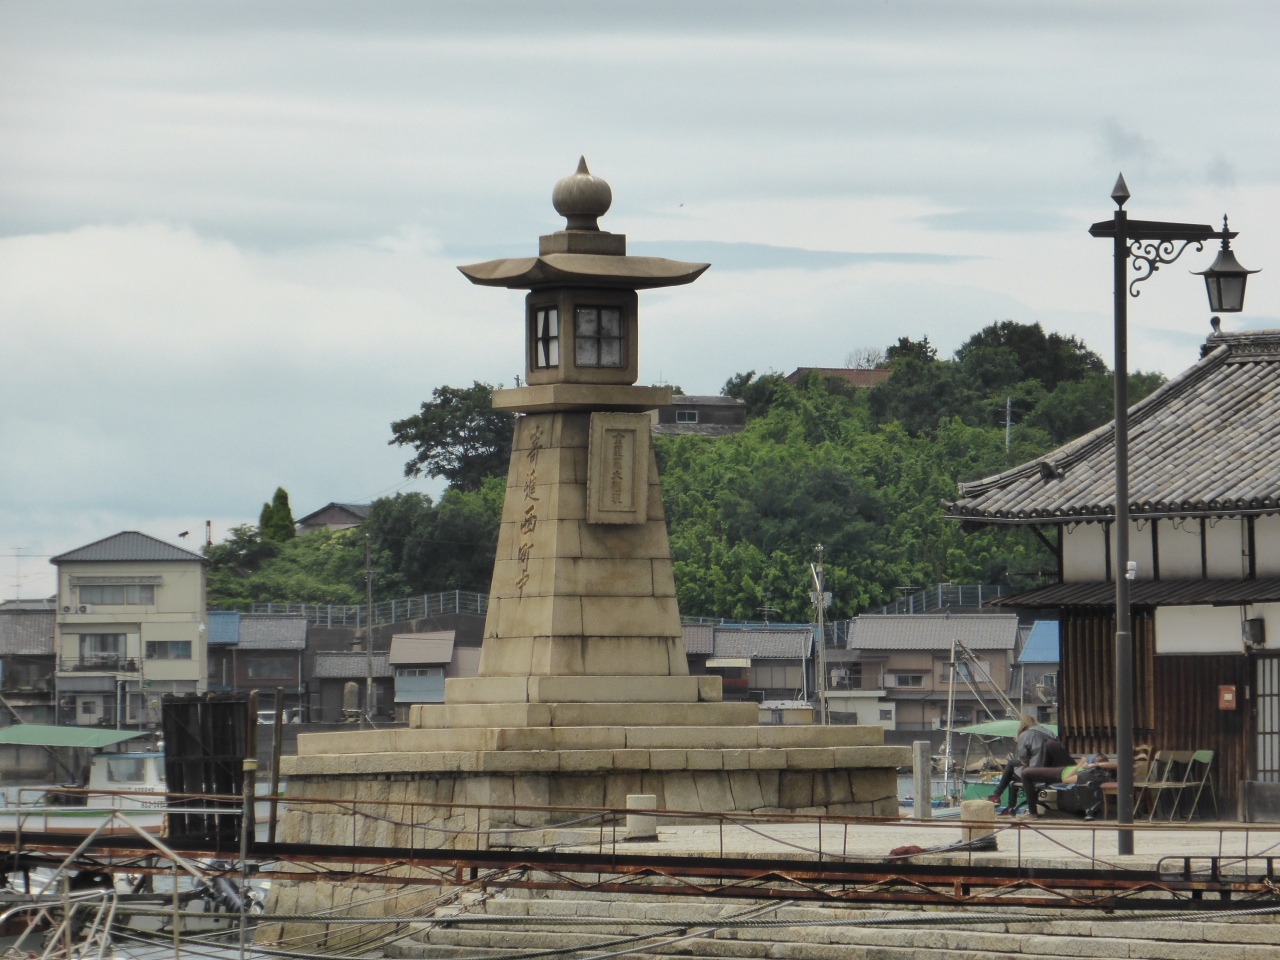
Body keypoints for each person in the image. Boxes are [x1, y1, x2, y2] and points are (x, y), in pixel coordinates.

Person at [986, 715, 1057, 813]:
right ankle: (1007, 805)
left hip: (1035, 773)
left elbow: (1023, 756)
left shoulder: (1026, 734)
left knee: (1011, 766)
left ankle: (1000, 799)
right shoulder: (1050, 733)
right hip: (1050, 772)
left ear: (1023, 725)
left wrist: (1024, 761)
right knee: (1013, 772)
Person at [1020, 754, 1117, 819]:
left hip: (1059, 774)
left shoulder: (1087, 774)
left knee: (1025, 773)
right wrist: (1096, 764)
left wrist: (1080, 764)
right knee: (1050, 744)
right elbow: (1116, 764)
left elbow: (1066, 780)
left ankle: (1032, 813)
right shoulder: (1095, 769)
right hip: (1063, 769)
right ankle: (1032, 811)